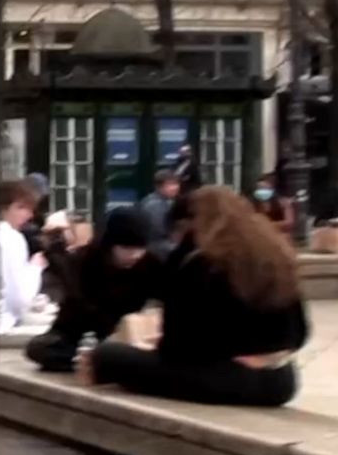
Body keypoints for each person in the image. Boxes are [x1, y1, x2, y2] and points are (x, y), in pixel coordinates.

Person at [83, 188, 309, 407]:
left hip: (228, 377)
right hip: (281, 379)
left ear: (187, 225)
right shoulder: (274, 255)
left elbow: (178, 347)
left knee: (108, 355)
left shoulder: (201, 262)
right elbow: (300, 333)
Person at [25, 207, 162, 372]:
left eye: (140, 249)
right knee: (39, 348)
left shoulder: (151, 265)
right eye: (127, 249)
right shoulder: (85, 261)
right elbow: (75, 306)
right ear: (111, 245)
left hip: (126, 334)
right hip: (80, 333)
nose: (134, 255)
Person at [0, 179, 48, 334]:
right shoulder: (12, 239)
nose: (29, 215)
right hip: (3, 325)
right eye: (21, 207)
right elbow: (20, 299)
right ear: (4, 208)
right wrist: (35, 267)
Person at [138, 168, 181, 256]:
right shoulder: (155, 205)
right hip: (157, 247)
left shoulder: (164, 201)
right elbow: (159, 231)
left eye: (176, 184)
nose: (175, 187)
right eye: (170, 184)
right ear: (159, 187)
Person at [250, 172, 294, 238]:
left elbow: (289, 223)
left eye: (265, 189)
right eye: (259, 189)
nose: (262, 191)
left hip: (279, 236)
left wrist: (267, 225)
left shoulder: (283, 203)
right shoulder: (252, 204)